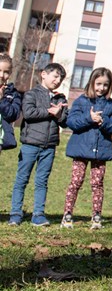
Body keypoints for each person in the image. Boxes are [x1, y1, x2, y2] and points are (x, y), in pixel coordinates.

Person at [62, 67, 112, 229]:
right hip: (80, 149)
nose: (101, 88)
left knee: (97, 184)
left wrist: (104, 122)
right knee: (76, 181)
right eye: (98, 84)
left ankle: (96, 216)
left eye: (105, 85)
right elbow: (72, 121)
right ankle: (67, 215)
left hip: (101, 151)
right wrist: (89, 118)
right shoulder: (81, 101)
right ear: (92, 83)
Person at [8, 63, 68, 226]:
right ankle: (15, 214)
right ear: (43, 74)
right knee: (22, 179)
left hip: (49, 146)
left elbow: (65, 122)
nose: (57, 80)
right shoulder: (31, 94)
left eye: (60, 78)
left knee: (42, 181)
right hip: (30, 144)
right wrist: (50, 111)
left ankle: (38, 214)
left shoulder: (60, 98)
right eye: (55, 76)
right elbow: (28, 113)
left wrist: (60, 114)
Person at [0, 53, 22, 155]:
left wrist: (2, 101)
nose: (1, 75)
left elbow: (13, 115)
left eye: (6, 72)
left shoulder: (13, 93)